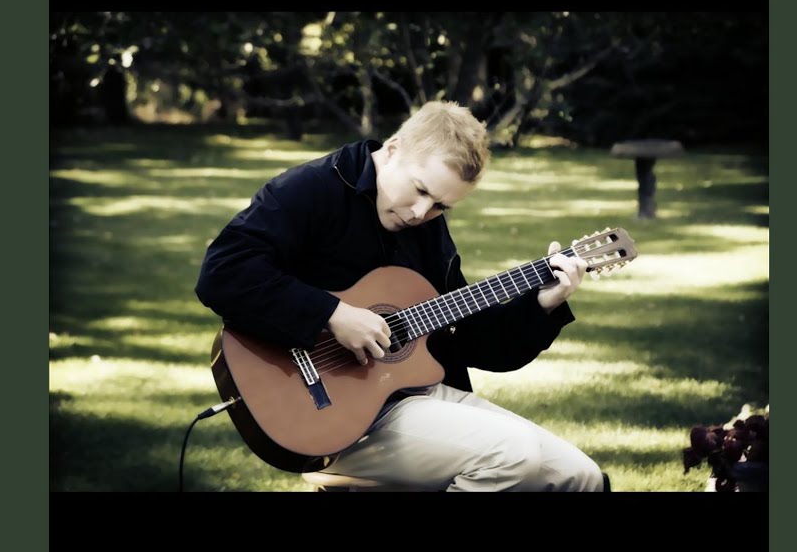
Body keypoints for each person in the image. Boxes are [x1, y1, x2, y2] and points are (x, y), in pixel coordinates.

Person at [195, 101, 607, 491]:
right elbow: (222, 272)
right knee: (514, 455)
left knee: (580, 476)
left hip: (412, 399)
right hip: (329, 417)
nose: (420, 213)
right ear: (392, 150)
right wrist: (332, 314)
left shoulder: (426, 227)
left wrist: (543, 303)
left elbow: (472, 339)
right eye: (420, 190)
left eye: (440, 206)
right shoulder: (311, 188)